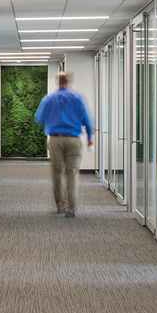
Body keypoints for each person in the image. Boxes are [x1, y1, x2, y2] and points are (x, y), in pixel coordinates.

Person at [33, 71, 94, 218]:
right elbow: (87, 119)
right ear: (68, 82)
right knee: (72, 173)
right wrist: (90, 137)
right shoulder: (77, 98)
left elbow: (39, 118)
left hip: (55, 140)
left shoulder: (48, 99)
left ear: (58, 82)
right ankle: (70, 209)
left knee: (57, 173)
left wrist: (52, 119)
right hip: (73, 139)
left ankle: (60, 206)